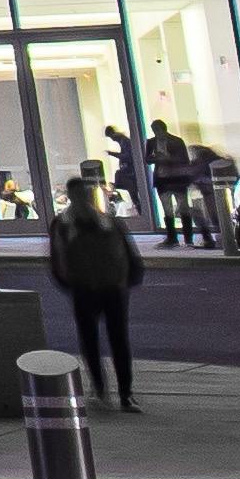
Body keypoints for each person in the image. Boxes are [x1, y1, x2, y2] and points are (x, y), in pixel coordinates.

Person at [50, 164, 141, 410]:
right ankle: (112, 391)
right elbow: (57, 259)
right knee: (106, 340)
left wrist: (67, 281)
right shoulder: (89, 223)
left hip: (102, 287)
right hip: (98, 287)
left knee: (108, 340)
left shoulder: (83, 223)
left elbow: (57, 259)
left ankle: (118, 392)